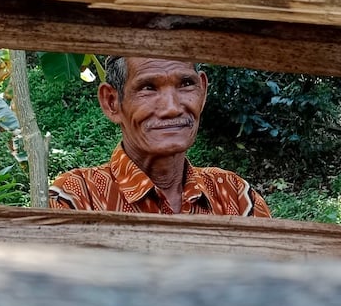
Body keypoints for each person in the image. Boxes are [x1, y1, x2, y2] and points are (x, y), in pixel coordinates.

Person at [48, 56, 271, 217]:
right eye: (148, 87)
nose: (172, 108)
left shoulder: (234, 195)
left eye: (185, 84)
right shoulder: (77, 198)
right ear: (112, 102)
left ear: (202, 93)